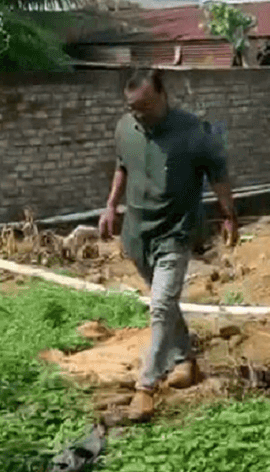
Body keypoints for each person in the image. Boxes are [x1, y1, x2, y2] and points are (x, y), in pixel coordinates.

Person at [97, 68, 239, 422]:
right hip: (136, 233)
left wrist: (230, 216)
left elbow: (218, 176)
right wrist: (111, 206)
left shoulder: (194, 131)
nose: (138, 114)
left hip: (176, 231)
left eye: (144, 106)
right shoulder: (125, 128)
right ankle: (185, 361)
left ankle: (146, 386)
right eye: (132, 108)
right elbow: (122, 166)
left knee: (160, 305)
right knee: (166, 304)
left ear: (163, 96)